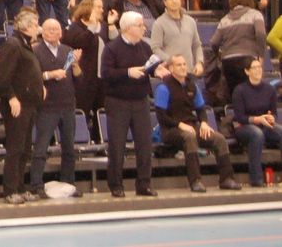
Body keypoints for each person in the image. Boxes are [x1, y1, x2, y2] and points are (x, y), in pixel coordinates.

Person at [155, 53, 242, 194]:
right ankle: (195, 181)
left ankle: (227, 179)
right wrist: (179, 125)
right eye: (179, 65)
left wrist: (204, 123)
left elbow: (201, 109)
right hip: (170, 130)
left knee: (219, 139)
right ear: (171, 68)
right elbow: (161, 116)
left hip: (192, 126)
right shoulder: (163, 87)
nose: (183, 67)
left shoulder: (192, 85)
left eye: (184, 64)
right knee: (189, 138)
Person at [101, 11, 159, 198]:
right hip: (118, 102)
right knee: (117, 146)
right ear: (127, 28)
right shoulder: (112, 48)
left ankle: (144, 183)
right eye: (140, 25)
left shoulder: (144, 47)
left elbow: (150, 68)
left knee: (145, 144)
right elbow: (106, 73)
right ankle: (116, 185)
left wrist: (158, 70)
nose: (144, 28)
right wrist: (127, 72)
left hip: (140, 101)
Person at [0, 8, 43, 204]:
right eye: (35, 24)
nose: (38, 28)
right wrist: (11, 97)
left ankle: (21, 187)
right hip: (18, 104)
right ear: (26, 26)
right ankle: (10, 190)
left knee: (25, 149)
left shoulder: (26, 45)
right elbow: (3, 76)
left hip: (29, 103)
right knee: (15, 148)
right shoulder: (13, 44)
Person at [29, 18, 82, 197]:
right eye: (49, 29)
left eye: (56, 29)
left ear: (61, 32)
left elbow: (78, 79)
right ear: (42, 32)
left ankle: (69, 184)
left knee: (69, 148)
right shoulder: (35, 51)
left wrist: (75, 65)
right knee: (41, 147)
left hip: (67, 105)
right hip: (46, 107)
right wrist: (50, 75)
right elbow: (32, 77)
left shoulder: (68, 51)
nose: (53, 32)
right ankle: (36, 185)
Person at [63, 0, 115, 142]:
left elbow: (112, 42)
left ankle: (100, 142)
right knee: (83, 110)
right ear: (89, 8)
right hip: (84, 77)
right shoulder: (76, 27)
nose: (102, 10)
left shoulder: (103, 26)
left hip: (102, 77)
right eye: (98, 7)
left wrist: (111, 25)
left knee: (102, 110)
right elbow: (80, 43)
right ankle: (78, 141)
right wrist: (91, 27)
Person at [231, 58, 282, 187]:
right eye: (254, 68)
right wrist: (258, 119)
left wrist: (271, 118)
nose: (258, 70)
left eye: (259, 67)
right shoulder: (239, 90)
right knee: (257, 134)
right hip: (244, 127)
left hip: (265, 125)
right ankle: (256, 179)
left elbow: (274, 112)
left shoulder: (269, 89)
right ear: (247, 71)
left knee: (280, 131)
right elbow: (239, 117)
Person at [212, 0, 268, 97]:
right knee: (251, 94)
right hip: (248, 59)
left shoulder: (225, 19)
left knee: (235, 95)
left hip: (228, 62)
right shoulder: (255, 14)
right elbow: (261, 34)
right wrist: (260, 55)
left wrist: (220, 55)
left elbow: (214, 43)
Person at [151, 0, 204, 77]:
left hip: (189, 71)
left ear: (180, 0)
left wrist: (199, 62)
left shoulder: (191, 21)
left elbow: (197, 45)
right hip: (170, 73)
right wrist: (171, 60)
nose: (174, 1)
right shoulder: (159, 23)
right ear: (165, 2)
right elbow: (155, 49)